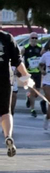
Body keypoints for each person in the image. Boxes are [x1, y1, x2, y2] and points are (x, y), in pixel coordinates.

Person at [0, 28, 20, 156]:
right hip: (4, 77)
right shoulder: (7, 37)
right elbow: (17, 60)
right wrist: (26, 76)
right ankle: (8, 136)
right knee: (5, 111)